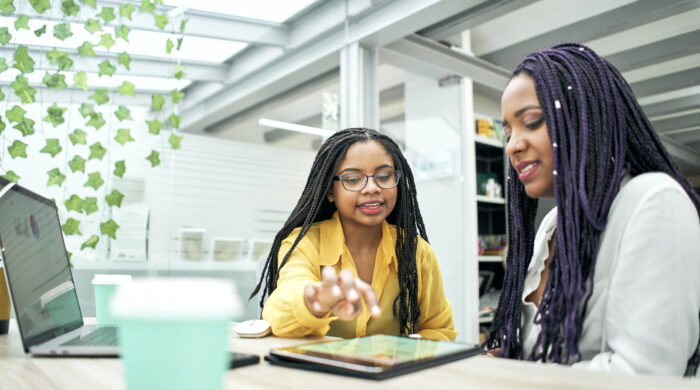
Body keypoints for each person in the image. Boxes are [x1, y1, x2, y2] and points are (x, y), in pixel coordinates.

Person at [486, 43, 700, 377]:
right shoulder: (552, 225)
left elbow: (645, 374)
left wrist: (518, 378)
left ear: (582, 118)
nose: (513, 145)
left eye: (532, 122)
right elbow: (542, 353)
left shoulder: (655, 201)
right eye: (508, 132)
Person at [251, 128, 456, 340]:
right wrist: (316, 300)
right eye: (353, 179)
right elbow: (278, 310)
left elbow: (440, 329)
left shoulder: (416, 251)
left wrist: (411, 351)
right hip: (322, 370)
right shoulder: (304, 243)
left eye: (384, 176)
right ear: (330, 191)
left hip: (393, 372)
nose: (372, 188)